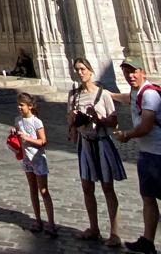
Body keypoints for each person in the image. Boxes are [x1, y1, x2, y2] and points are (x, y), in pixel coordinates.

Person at [68, 56, 125, 245]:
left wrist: (97, 118)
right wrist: (73, 119)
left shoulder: (104, 94)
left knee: (108, 188)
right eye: (77, 69)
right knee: (87, 187)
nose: (80, 72)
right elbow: (70, 125)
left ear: (91, 71)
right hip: (84, 143)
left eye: (83, 69)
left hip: (101, 142)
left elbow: (114, 121)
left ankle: (115, 233)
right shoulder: (73, 95)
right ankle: (94, 228)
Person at [113, 55, 161, 254]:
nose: (130, 75)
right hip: (147, 153)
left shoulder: (150, 95)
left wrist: (127, 135)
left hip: (159, 154)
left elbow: (147, 125)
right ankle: (148, 241)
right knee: (148, 198)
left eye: (133, 71)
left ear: (143, 72)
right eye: (126, 72)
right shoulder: (137, 92)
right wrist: (108, 94)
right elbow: (128, 98)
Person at [15, 91, 56, 236]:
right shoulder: (18, 121)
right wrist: (14, 134)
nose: (19, 108)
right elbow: (19, 138)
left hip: (38, 159)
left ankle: (51, 223)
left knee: (43, 191)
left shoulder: (36, 121)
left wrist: (27, 138)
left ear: (30, 106)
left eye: (22, 105)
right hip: (27, 159)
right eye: (18, 105)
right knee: (33, 189)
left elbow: (43, 141)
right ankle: (38, 220)